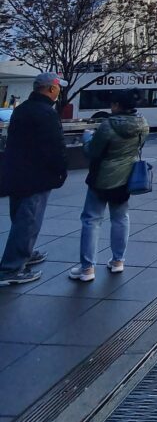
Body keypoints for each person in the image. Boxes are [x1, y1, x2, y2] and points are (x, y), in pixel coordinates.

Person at [69, 90, 149, 282]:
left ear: (116, 105)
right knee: (121, 218)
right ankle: (118, 261)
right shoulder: (143, 124)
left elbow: (92, 152)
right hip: (126, 178)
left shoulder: (107, 126)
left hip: (101, 178)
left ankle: (87, 268)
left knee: (91, 220)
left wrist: (87, 139)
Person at [0, 73, 67, 287]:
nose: (60, 91)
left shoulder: (22, 109)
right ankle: (11, 268)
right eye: (58, 87)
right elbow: (54, 146)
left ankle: (24, 253)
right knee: (28, 221)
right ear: (50, 89)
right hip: (36, 176)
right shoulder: (46, 113)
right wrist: (60, 171)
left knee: (20, 216)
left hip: (16, 173)